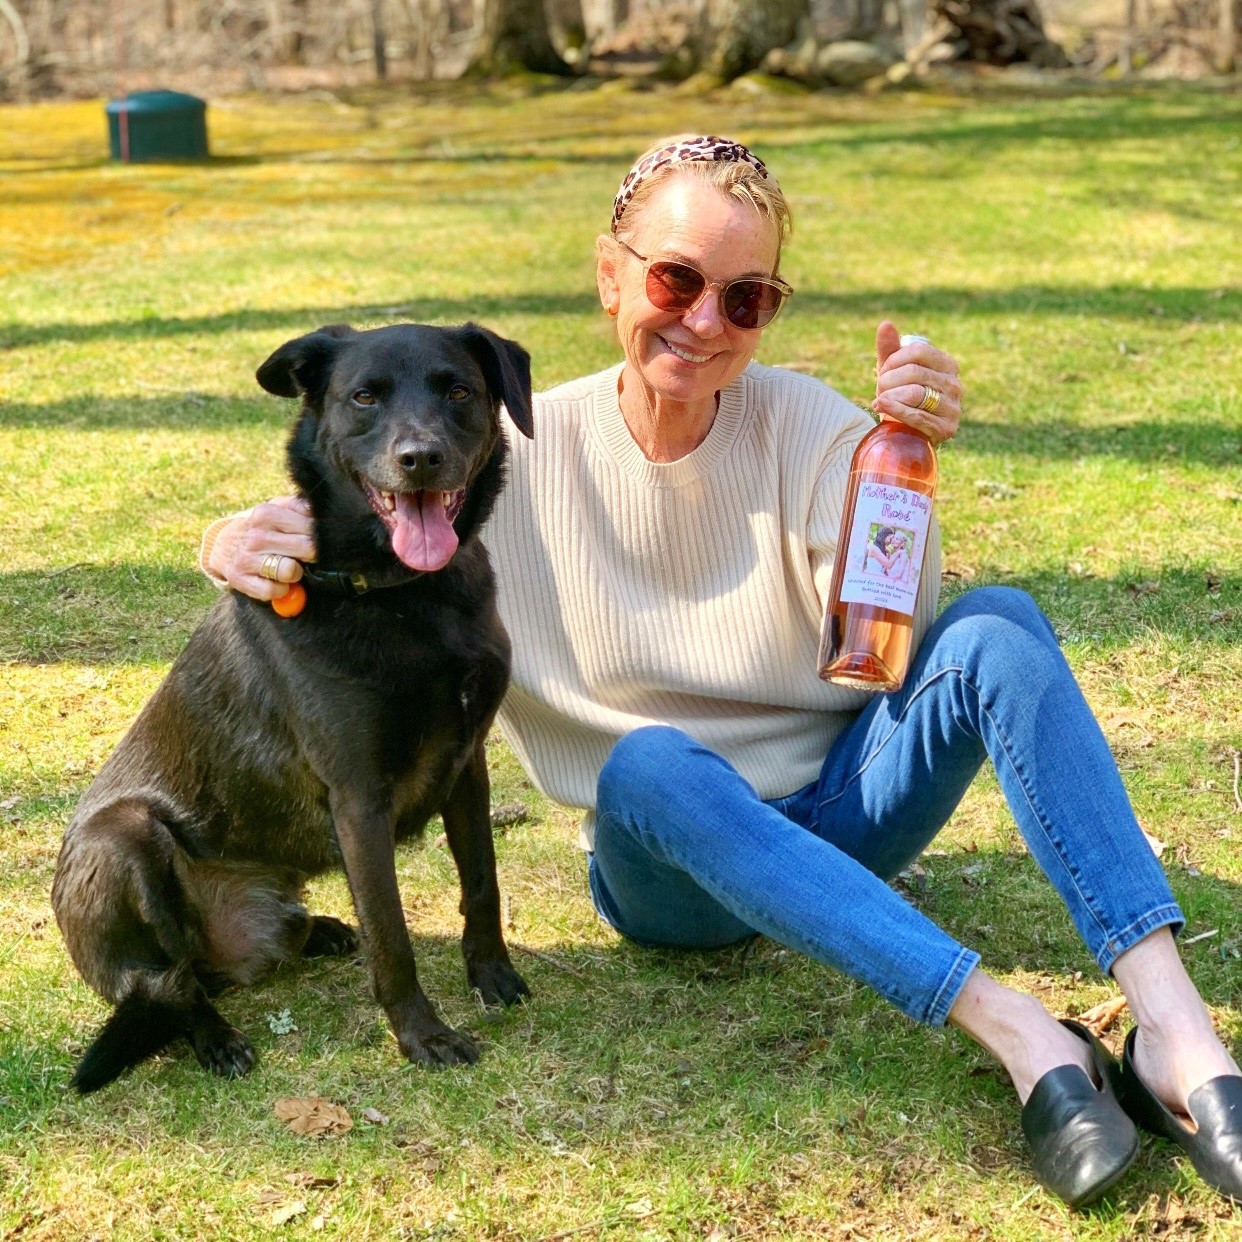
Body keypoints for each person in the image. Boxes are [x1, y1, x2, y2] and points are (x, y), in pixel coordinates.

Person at [202, 135, 1241, 1208]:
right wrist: (230, 537)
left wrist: (907, 468)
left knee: (1000, 625)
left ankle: (1178, 1036)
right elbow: (342, 519)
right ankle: (1023, 1035)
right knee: (647, 764)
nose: (705, 321)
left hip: (841, 806)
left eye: (745, 299)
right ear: (611, 276)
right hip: (671, 866)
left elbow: (897, 638)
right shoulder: (496, 449)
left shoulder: (812, 424)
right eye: (675, 279)